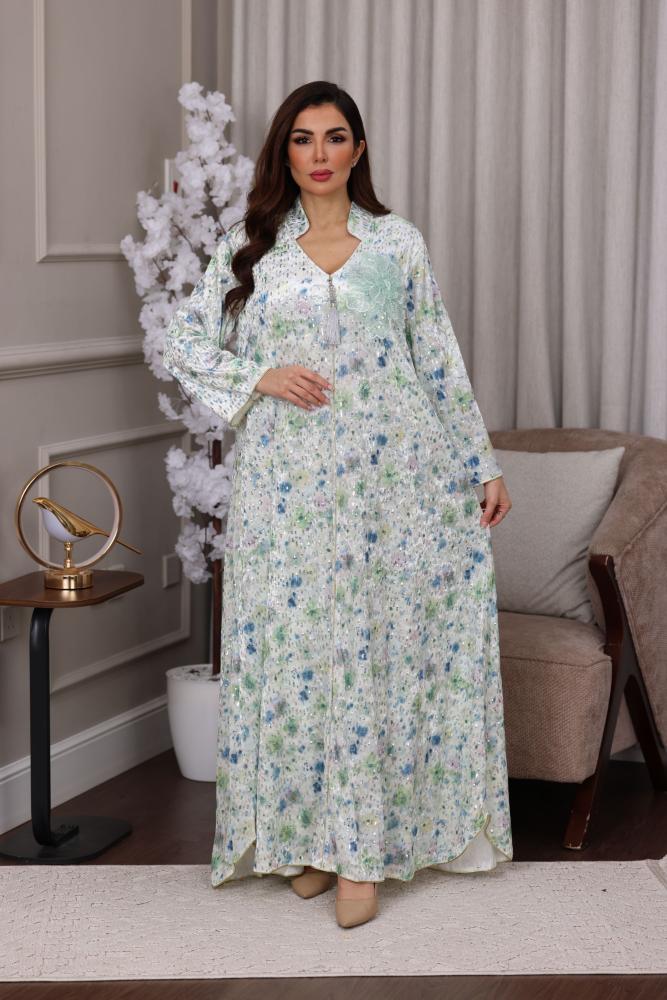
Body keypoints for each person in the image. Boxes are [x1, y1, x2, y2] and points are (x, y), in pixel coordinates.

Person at [163, 81, 514, 929]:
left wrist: (480, 464)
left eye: (334, 137)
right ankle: (313, 841)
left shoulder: (396, 243)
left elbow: (435, 357)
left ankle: (363, 854)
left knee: (375, 652)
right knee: (300, 653)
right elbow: (183, 340)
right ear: (284, 153)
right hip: (285, 491)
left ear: (358, 150)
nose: (318, 154)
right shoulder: (252, 247)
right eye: (302, 138)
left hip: (396, 486)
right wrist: (260, 376)